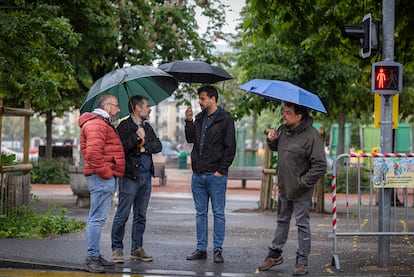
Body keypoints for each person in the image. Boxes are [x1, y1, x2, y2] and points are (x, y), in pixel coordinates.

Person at [258, 102, 326, 276]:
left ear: (299, 116)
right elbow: (277, 148)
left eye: (288, 113)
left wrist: (302, 182)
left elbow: (320, 166)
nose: (284, 115)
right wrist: (271, 140)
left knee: (302, 224)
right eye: (284, 112)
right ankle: (274, 255)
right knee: (282, 221)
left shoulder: (312, 136)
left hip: (301, 190)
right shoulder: (283, 129)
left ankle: (302, 261)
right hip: (283, 186)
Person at [184, 85, 236, 263]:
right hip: (198, 174)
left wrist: (221, 170)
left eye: (203, 98)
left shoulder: (225, 119)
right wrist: (189, 121)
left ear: (213, 99)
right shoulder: (199, 118)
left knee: (218, 213)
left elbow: (231, 147)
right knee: (200, 214)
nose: (200, 102)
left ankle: (218, 250)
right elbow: (191, 139)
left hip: (216, 175)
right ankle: (201, 249)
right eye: (199, 98)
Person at [111, 95, 162, 264]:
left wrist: (143, 144)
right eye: (147, 106)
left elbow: (157, 146)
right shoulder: (124, 126)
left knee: (141, 215)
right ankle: (117, 249)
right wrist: (136, 139)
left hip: (146, 178)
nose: (150, 109)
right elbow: (120, 149)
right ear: (137, 108)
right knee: (123, 214)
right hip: (130, 177)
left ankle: (137, 249)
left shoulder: (147, 127)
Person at [78, 94, 126, 273]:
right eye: (116, 106)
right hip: (100, 177)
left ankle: (95, 255)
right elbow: (93, 154)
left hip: (103, 177)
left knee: (98, 217)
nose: (119, 109)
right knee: (96, 218)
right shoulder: (96, 123)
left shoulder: (102, 123)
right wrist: (107, 173)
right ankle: (91, 258)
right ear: (107, 107)